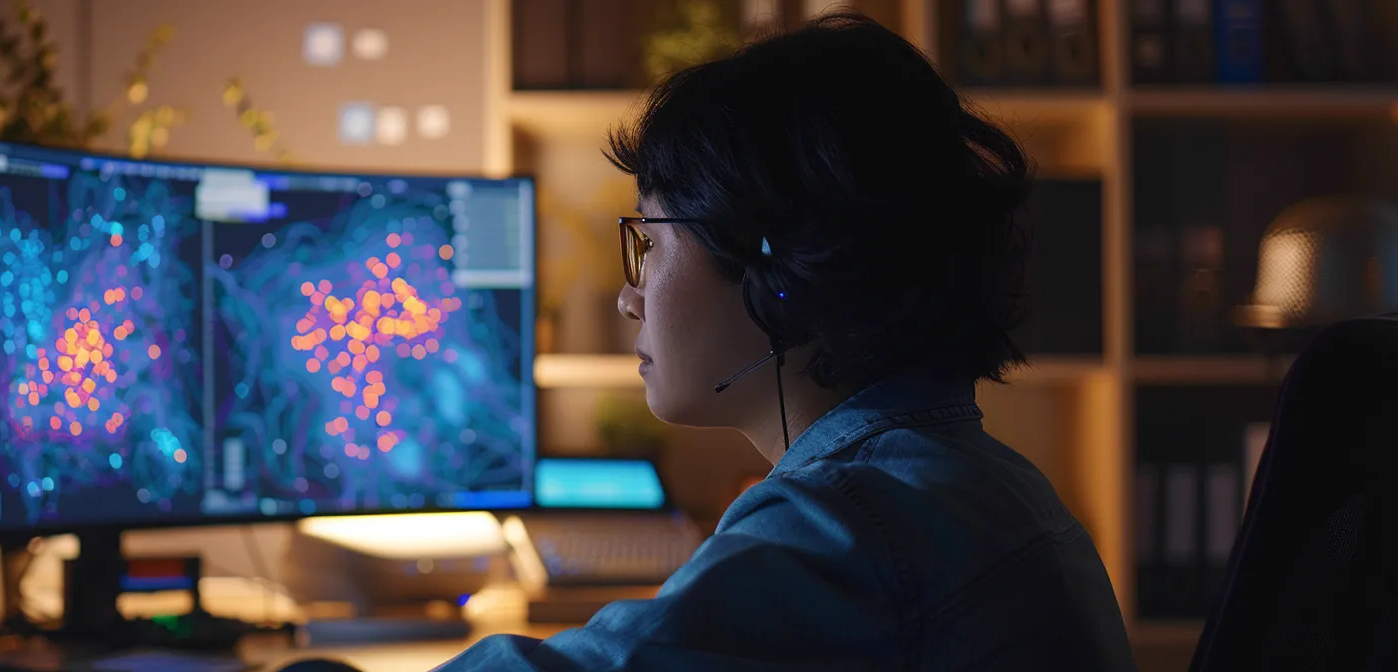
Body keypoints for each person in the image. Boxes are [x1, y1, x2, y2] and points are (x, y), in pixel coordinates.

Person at [435, 11, 1134, 671]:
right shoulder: (981, 482)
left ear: (780, 270)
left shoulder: (847, 525)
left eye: (649, 242)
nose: (628, 296)